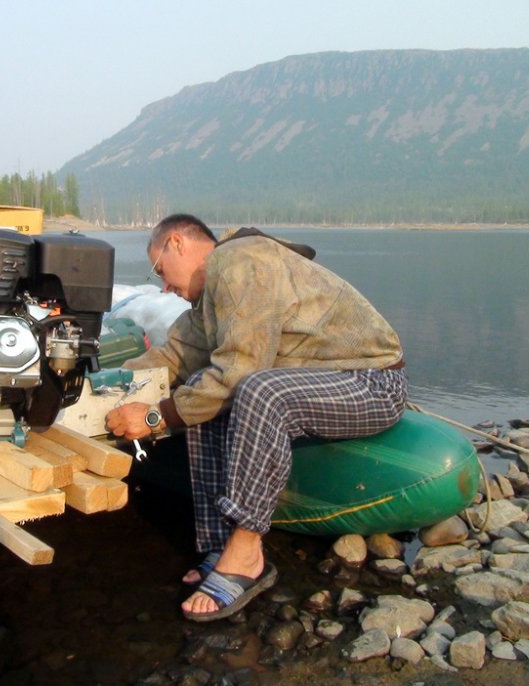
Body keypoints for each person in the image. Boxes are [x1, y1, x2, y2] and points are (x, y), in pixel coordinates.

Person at [105, 214, 407, 622]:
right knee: (201, 383)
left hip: (371, 383)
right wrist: (108, 389)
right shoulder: (208, 297)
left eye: (159, 269)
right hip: (321, 383)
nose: (163, 286)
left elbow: (241, 370)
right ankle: (219, 543)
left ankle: (247, 553)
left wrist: (158, 418)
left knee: (257, 390)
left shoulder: (240, 263)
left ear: (176, 243)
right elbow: (172, 356)